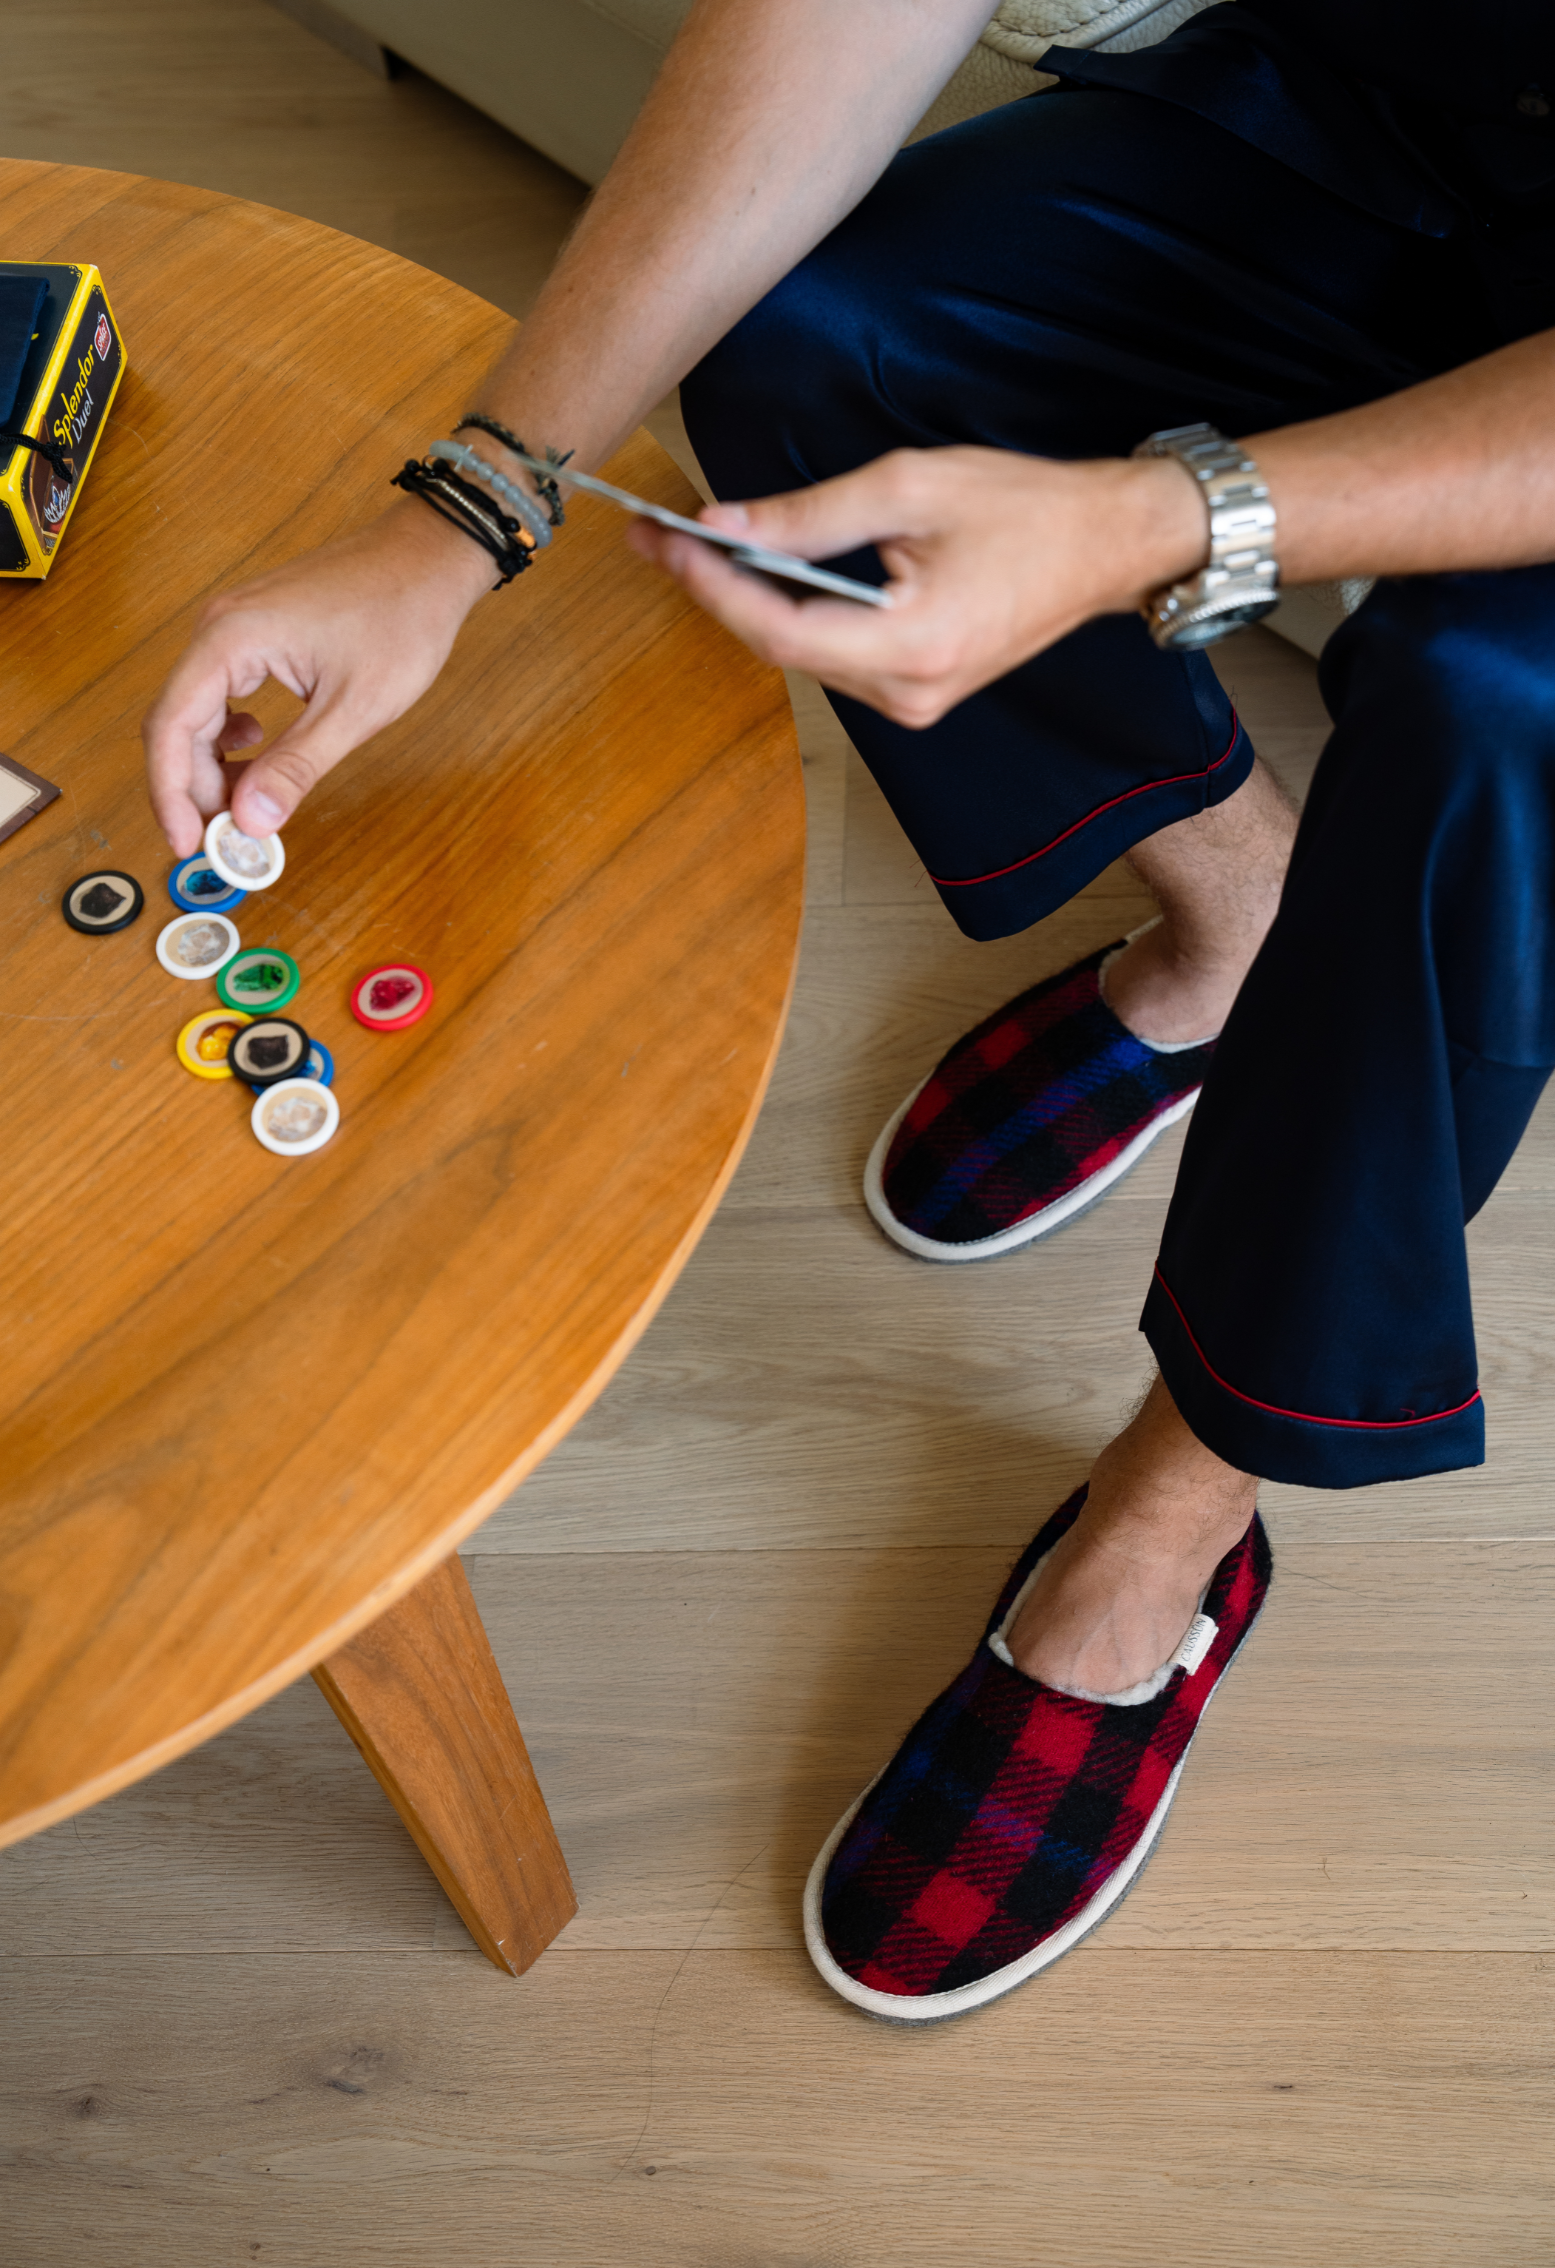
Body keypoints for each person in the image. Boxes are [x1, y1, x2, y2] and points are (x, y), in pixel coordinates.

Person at [143, 0, 1555, 2023]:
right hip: (1388, 103)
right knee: (822, 329)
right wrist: (465, 507)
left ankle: (1175, 1525)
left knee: (1504, 718)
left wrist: (1164, 520)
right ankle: (1236, 912)